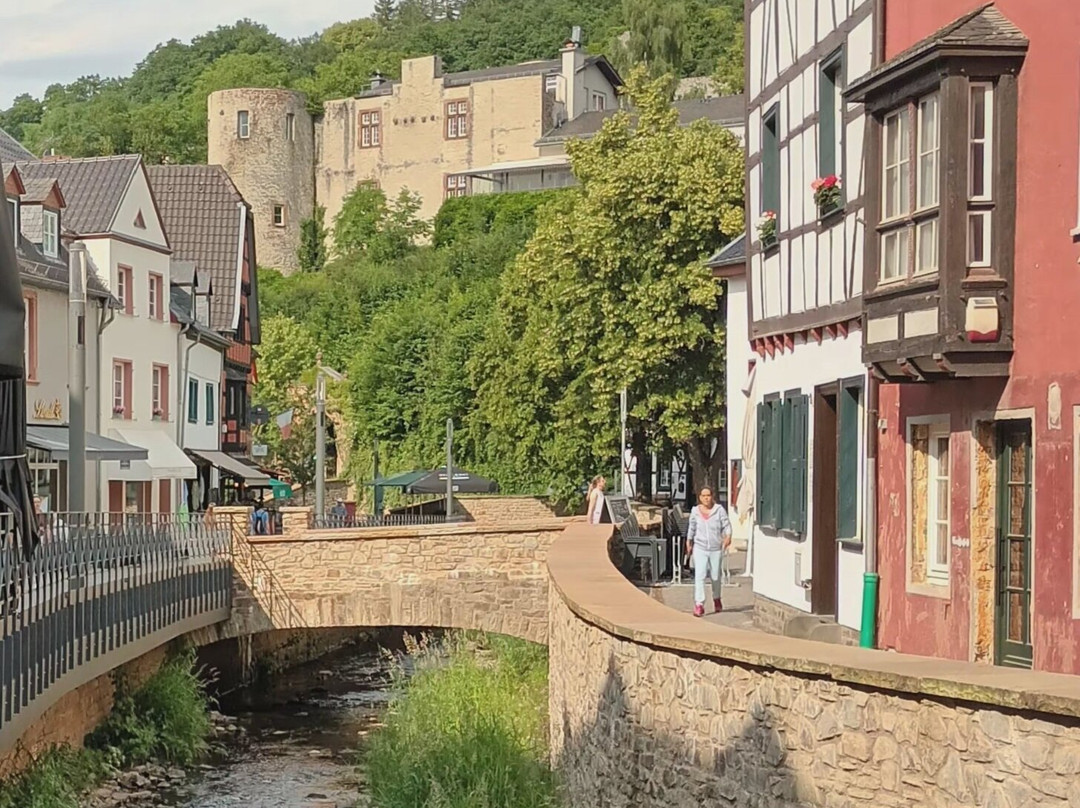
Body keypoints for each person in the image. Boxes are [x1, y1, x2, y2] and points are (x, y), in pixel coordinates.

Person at [685, 486, 732, 617]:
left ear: (712, 496)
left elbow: (726, 525)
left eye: (708, 495)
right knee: (700, 575)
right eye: (704, 496)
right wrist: (689, 541)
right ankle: (699, 604)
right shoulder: (695, 511)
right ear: (700, 497)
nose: (706, 498)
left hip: (715, 548)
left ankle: (716, 598)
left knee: (715, 576)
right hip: (700, 547)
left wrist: (728, 536)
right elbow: (692, 527)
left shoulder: (719, 510)